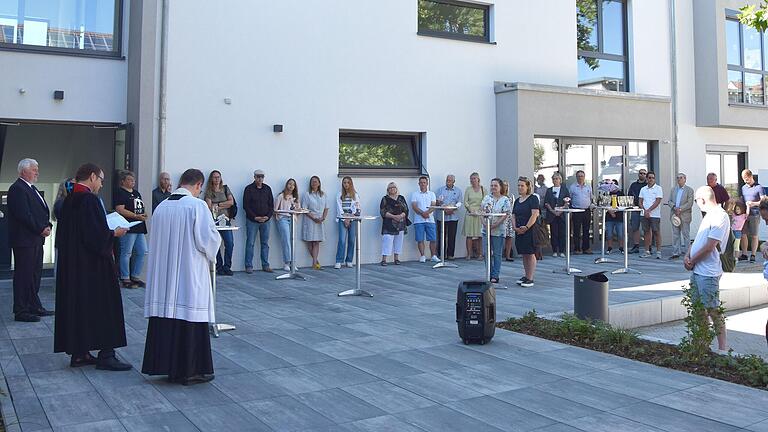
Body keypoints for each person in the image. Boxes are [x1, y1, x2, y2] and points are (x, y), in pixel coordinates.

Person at [143, 169, 221, 385]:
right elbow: (208, 240)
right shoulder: (197, 206)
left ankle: (165, 366)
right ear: (198, 185)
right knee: (189, 316)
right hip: (188, 273)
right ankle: (190, 370)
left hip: (164, 277)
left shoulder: (162, 207)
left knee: (166, 317)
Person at [54, 163, 131, 370]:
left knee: (80, 307)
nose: (101, 183)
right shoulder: (90, 200)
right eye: (100, 179)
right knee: (106, 305)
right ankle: (107, 354)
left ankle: (80, 352)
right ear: (92, 177)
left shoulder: (68, 200)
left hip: (74, 266)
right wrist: (113, 233)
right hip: (93, 266)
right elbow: (95, 236)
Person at [684, 186, 731, 351]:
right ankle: (702, 343)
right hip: (698, 270)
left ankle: (723, 348)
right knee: (698, 309)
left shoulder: (720, 216)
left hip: (708, 272)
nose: (697, 204)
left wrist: (692, 260)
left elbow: (710, 246)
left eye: (697, 201)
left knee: (713, 309)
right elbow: (698, 239)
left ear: (702, 200)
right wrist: (687, 256)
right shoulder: (708, 215)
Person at [7, 158, 54, 322]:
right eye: (34, 169)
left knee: (35, 274)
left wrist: (47, 225)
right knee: (23, 275)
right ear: (23, 171)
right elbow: (24, 215)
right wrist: (41, 228)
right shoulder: (17, 189)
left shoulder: (31, 188)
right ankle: (21, 310)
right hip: (24, 240)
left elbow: (40, 212)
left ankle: (34, 305)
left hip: (35, 240)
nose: (37, 172)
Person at [114, 170, 149, 288]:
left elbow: (139, 207)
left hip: (139, 225)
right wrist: (135, 216)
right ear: (123, 181)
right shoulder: (120, 192)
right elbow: (120, 209)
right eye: (129, 179)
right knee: (126, 252)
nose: (132, 182)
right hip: (128, 225)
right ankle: (125, 277)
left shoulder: (137, 193)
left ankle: (135, 276)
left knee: (143, 251)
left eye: (133, 180)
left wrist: (143, 215)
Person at [204, 170, 235, 276]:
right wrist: (222, 205)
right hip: (214, 221)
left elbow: (231, 202)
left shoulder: (225, 189)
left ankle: (227, 267)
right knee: (215, 244)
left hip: (225, 220)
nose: (217, 179)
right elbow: (209, 206)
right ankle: (219, 267)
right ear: (211, 179)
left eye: (218, 177)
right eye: (214, 177)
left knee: (230, 243)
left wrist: (218, 204)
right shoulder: (209, 191)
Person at [480, 178, 511, 284]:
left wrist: (495, 225)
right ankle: (489, 272)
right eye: (492, 185)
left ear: (500, 187)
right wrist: (484, 223)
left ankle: (495, 275)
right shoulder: (487, 198)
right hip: (486, 229)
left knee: (497, 253)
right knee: (486, 252)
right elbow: (482, 211)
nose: (493, 187)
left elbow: (506, 214)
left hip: (498, 230)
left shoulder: (505, 199)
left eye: (495, 185)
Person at [243, 169, 273, 273]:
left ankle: (265, 265)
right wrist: (255, 217)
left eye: (262, 177)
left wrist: (267, 217)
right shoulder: (248, 189)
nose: (260, 179)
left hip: (266, 220)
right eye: (258, 176)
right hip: (252, 221)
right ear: (254, 177)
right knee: (250, 243)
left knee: (265, 243)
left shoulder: (267, 189)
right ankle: (248, 266)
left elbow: (271, 205)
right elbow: (246, 205)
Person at [512, 177, 540, 288]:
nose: (520, 187)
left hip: (530, 230)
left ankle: (530, 278)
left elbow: (534, 214)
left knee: (530, 253)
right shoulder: (517, 201)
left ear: (528, 187)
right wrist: (515, 227)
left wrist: (526, 227)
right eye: (518, 185)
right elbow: (513, 215)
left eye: (522, 185)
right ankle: (526, 275)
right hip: (519, 230)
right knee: (524, 253)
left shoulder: (533, 199)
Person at [302, 176, 328, 270]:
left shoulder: (323, 195)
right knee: (310, 241)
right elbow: (304, 209)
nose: (314, 183)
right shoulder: (306, 194)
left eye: (316, 182)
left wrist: (323, 218)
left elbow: (326, 208)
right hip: (310, 220)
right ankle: (316, 261)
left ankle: (314, 263)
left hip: (320, 220)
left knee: (316, 241)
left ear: (319, 183)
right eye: (312, 182)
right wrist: (313, 218)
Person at [379, 182, 409, 266]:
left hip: (400, 223)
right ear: (388, 190)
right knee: (387, 240)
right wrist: (393, 216)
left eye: (394, 187)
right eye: (390, 187)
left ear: (396, 189)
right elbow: (383, 211)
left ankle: (396, 258)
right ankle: (384, 260)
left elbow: (406, 210)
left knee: (399, 241)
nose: (392, 189)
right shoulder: (385, 199)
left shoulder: (401, 198)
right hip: (389, 223)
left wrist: (401, 216)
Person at [411, 176, 439, 263]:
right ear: (418, 184)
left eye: (424, 182)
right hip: (419, 220)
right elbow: (414, 206)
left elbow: (433, 205)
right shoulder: (415, 194)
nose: (422, 184)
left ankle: (433, 256)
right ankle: (422, 256)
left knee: (433, 239)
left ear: (427, 183)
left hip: (430, 220)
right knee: (420, 239)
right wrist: (422, 213)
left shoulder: (432, 194)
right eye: (421, 182)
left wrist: (427, 213)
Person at [738, 169, 764, 263]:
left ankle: (753, 254)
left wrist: (753, 203)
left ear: (751, 176)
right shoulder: (743, 188)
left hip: (755, 214)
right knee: (743, 234)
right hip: (744, 214)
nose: (745, 181)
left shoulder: (759, 187)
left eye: (746, 179)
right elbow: (742, 199)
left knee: (754, 235)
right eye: (743, 179)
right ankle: (744, 254)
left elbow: (763, 201)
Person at [435, 174, 463, 260]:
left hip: (453, 216)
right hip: (442, 216)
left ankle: (450, 254)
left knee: (452, 236)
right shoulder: (440, 190)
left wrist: (452, 209)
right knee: (441, 235)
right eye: (447, 180)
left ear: (454, 181)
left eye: (450, 180)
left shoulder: (458, 191)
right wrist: (445, 208)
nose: (448, 182)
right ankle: (441, 254)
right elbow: (438, 201)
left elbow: (459, 203)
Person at [275, 178, 300, 272]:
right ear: (286, 185)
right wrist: (280, 216)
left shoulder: (295, 197)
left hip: (292, 219)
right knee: (286, 240)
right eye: (289, 184)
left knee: (293, 241)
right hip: (283, 219)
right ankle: (287, 262)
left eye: (293, 185)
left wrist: (296, 212)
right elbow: (275, 209)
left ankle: (293, 262)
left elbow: (298, 209)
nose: (291, 186)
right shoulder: (281, 196)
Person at [667, 173, 694, 260]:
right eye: (677, 178)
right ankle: (676, 253)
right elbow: (669, 201)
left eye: (681, 178)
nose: (679, 179)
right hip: (675, 215)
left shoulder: (689, 190)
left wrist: (680, 209)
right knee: (675, 234)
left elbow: (690, 203)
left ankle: (688, 253)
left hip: (685, 215)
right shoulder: (673, 189)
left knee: (686, 235)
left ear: (685, 179)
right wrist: (674, 208)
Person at [335, 176, 360, 269]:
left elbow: (356, 208)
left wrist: (349, 218)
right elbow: (339, 208)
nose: (346, 184)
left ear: (351, 184)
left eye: (348, 182)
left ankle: (349, 260)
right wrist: (345, 219)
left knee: (352, 240)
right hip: (342, 219)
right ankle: (338, 260)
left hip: (352, 219)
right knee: (342, 240)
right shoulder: (339, 194)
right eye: (344, 182)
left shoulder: (355, 195)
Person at [544, 172, 570, 258]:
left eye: (557, 178)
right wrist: (553, 211)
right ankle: (554, 250)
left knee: (562, 233)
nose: (555, 180)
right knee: (554, 232)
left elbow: (568, 201)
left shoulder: (564, 189)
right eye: (554, 179)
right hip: (552, 215)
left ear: (560, 180)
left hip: (562, 215)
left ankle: (562, 251)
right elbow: (546, 203)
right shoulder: (549, 190)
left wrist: (561, 210)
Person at [639, 171, 663, 259]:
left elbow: (658, 201)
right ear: (647, 178)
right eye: (649, 178)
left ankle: (658, 251)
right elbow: (640, 201)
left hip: (655, 214)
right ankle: (647, 251)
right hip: (644, 214)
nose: (651, 179)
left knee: (656, 232)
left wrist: (649, 210)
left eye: (653, 178)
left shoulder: (658, 188)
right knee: (646, 232)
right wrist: (645, 211)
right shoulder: (643, 189)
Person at [568, 170, 593, 254]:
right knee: (576, 230)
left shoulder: (588, 187)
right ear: (576, 177)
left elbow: (591, 198)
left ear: (584, 177)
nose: (580, 178)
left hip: (586, 210)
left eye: (582, 176)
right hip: (576, 210)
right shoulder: (572, 187)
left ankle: (586, 248)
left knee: (586, 230)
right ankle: (577, 248)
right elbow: (569, 199)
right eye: (579, 176)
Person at [463, 172, 485, 260]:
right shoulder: (468, 189)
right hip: (470, 213)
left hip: (480, 214)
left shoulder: (483, 189)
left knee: (480, 235)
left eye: (474, 178)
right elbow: (465, 201)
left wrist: (480, 210)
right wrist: (470, 209)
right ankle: (469, 254)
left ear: (478, 179)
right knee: (469, 235)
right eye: (471, 179)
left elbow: (486, 201)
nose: (472, 180)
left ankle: (480, 254)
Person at [598, 179, 623, 254]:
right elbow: (604, 204)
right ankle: (609, 248)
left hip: (619, 216)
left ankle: (621, 248)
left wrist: (615, 211)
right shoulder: (607, 193)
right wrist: (610, 212)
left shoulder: (621, 193)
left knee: (620, 233)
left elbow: (623, 203)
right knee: (609, 233)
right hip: (609, 216)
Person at [627, 169, 648, 254]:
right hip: (635, 209)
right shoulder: (633, 185)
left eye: (644, 173)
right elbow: (630, 196)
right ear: (638, 174)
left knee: (646, 228)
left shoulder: (647, 185)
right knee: (635, 228)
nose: (642, 175)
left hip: (645, 209)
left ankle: (648, 247)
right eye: (640, 173)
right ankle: (636, 246)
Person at [501, 180, 515, 262]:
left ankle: (508, 255)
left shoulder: (511, 196)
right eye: (503, 185)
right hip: (501, 219)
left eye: (506, 185)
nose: (505, 186)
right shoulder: (499, 196)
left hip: (509, 219)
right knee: (500, 237)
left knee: (509, 237)